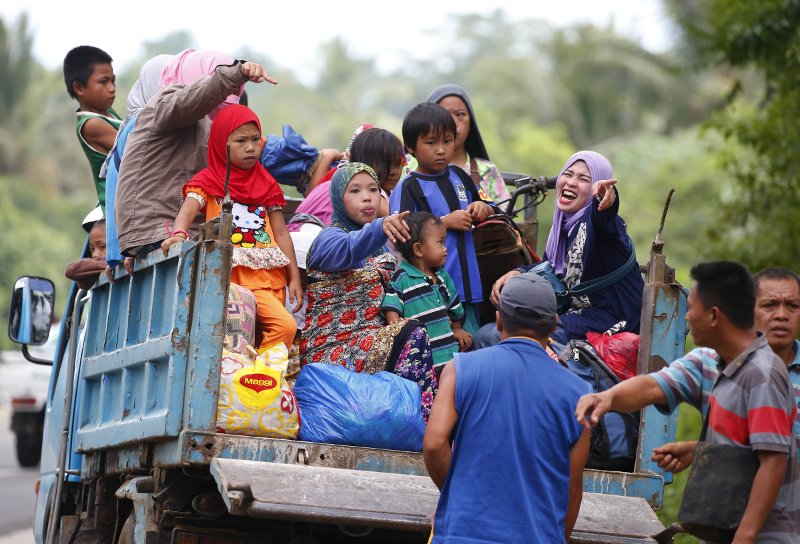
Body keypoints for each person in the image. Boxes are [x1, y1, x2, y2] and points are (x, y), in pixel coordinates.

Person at [575, 261, 799, 543]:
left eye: (692, 310)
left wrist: (746, 535)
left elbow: (774, 461)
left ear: (715, 316)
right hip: (728, 524)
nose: (686, 319)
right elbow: (652, 385)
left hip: (767, 532)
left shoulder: (762, 372)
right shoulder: (721, 364)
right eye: (770, 305)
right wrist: (606, 397)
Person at [424, 273, 590, 542]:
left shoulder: (460, 369)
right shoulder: (580, 394)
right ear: (554, 325)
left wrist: (458, 496)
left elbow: (433, 445)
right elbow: (572, 486)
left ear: (498, 319)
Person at [303, 162, 439, 419]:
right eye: (354, 191)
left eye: (373, 189)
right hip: (335, 349)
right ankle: (424, 423)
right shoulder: (329, 239)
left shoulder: (384, 248)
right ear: (337, 199)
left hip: (373, 342)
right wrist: (379, 227)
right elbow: (349, 249)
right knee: (412, 332)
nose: (366, 197)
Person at [161, 104, 300, 351]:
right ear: (220, 144)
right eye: (240, 141)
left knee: (284, 327)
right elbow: (188, 210)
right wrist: (179, 234)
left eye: (256, 139)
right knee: (235, 340)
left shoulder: (267, 184)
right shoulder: (209, 180)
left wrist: (294, 277)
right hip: (226, 276)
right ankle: (244, 381)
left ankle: (260, 378)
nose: (250, 147)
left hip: (263, 279)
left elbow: (281, 233)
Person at [116, 49, 277, 260]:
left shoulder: (201, 124)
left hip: (172, 230)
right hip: (160, 228)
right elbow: (197, 96)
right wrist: (236, 73)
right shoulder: (166, 104)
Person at [479, 150, 643, 346]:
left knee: (500, 336)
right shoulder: (562, 230)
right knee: (490, 331)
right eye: (567, 174)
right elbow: (552, 271)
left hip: (612, 320)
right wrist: (518, 272)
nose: (571, 182)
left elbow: (603, 218)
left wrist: (605, 199)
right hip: (580, 316)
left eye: (584, 179)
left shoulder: (600, 224)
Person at [390, 102, 495, 337]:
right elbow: (403, 235)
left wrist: (482, 208)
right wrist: (446, 222)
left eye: (447, 141)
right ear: (411, 147)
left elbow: (489, 205)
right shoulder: (409, 186)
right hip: (430, 293)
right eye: (431, 143)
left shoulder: (459, 176)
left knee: (472, 339)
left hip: (469, 284)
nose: (441, 150)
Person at [102, 53, 174, 272]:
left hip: (124, 249)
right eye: (170, 83)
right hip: (137, 247)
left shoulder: (131, 122)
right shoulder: (144, 123)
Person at [381, 212, 471, 373]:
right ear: (418, 249)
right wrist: (395, 327)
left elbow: (455, 308)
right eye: (440, 243)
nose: (445, 249)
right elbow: (392, 305)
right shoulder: (402, 277)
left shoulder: (443, 276)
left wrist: (457, 329)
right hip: (420, 361)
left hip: (449, 356)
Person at [287, 126, 404, 232]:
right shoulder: (371, 192)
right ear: (365, 162)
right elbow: (400, 223)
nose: (393, 172)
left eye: (398, 165)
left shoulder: (332, 182)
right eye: (386, 165)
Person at [424, 83, 511, 202]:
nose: (453, 123)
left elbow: (506, 214)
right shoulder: (406, 166)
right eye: (444, 114)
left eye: (460, 114)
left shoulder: (486, 170)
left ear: (471, 124)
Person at [63, 45, 121, 212]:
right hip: (117, 208)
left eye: (113, 80)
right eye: (103, 82)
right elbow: (136, 150)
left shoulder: (108, 112)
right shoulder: (92, 124)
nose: (112, 88)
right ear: (79, 88)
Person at [65, 208, 108, 290]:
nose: (95, 254)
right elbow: (72, 272)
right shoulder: (99, 269)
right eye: (92, 249)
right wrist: (108, 265)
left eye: (102, 246)